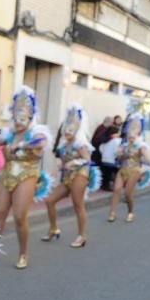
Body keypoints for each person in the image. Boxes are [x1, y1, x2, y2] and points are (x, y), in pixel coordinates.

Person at [0, 86, 51, 269]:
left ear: (31, 117)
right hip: (7, 173)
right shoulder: (9, 133)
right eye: (16, 118)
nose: (18, 122)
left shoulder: (36, 131)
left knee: (19, 216)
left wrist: (23, 144)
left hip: (27, 174)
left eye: (23, 118)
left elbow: (41, 143)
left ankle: (23, 252)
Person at [41, 105, 99, 248]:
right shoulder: (63, 145)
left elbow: (89, 160)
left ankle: (82, 236)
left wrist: (74, 161)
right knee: (49, 201)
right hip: (67, 177)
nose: (67, 132)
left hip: (80, 175)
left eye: (71, 129)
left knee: (78, 205)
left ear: (77, 130)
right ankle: (54, 229)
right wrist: (59, 167)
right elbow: (63, 162)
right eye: (66, 129)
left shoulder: (81, 144)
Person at [108, 113, 150, 223]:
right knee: (116, 190)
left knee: (127, 193)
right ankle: (112, 213)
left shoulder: (141, 146)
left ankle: (130, 212)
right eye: (129, 134)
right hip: (123, 170)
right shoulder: (124, 145)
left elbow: (146, 156)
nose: (130, 136)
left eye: (133, 134)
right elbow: (117, 156)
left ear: (138, 134)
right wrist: (121, 155)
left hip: (134, 170)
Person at [98, 125, 121, 191]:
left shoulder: (105, 140)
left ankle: (104, 186)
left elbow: (101, 149)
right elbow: (117, 151)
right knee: (117, 174)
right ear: (115, 133)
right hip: (112, 160)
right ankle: (115, 186)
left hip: (104, 159)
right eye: (119, 132)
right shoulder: (117, 141)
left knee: (106, 175)